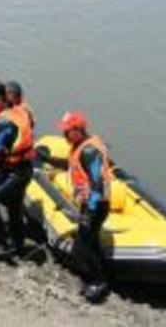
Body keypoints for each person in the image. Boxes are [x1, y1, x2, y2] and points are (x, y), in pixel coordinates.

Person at [55, 111, 112, 303]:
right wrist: (47, 160)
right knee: (91, 241)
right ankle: (100, 275)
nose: (64, 136)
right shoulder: (81, 146)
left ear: (78, 130)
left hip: (95, 205)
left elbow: (97, 183)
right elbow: (73, 166)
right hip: (90, 204)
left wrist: (90, 212)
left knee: (81, 247)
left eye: (67, 132)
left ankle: (99, 282)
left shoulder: (89, 151)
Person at [0, 80, 35, 259]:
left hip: (16, 172)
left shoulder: (4, 121)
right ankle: (17, 246)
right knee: (14, 208)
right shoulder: (21, 110)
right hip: (25, 168)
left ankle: (2, 245)